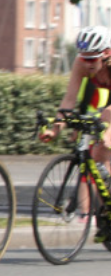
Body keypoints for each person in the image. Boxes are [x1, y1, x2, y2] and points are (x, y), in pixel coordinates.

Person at [41, 25, 111, 241]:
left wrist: (107, 130)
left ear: (107, 54)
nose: (87, 64)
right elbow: (69, 100)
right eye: (84, 58)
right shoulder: (81, 64)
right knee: (97, 158)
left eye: (92, 59)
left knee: (106, 129)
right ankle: (107, 214)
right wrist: (56, 127)